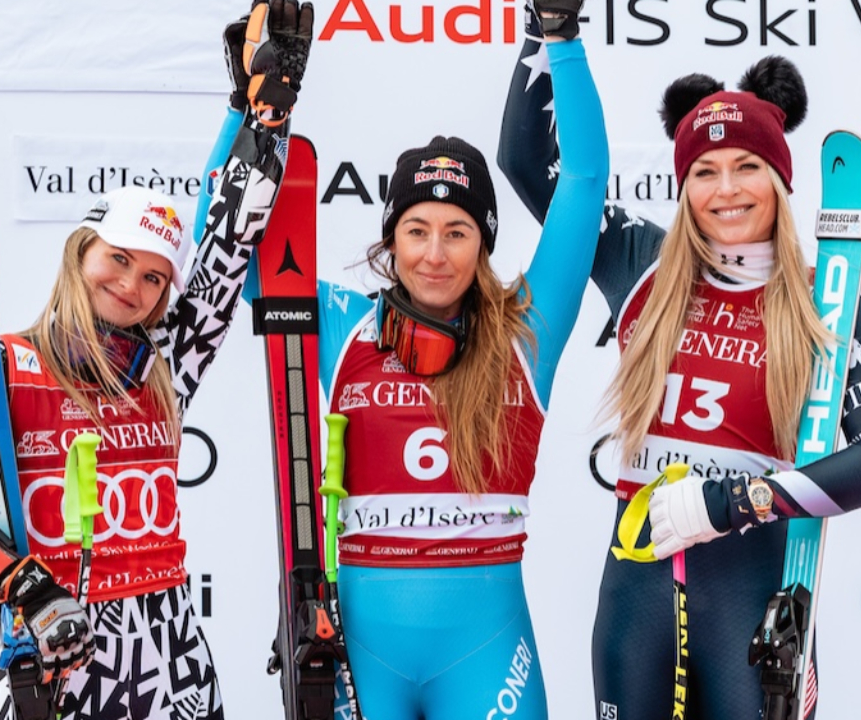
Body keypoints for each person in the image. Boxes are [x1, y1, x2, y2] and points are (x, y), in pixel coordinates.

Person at [0, 3, 313, 719]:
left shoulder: (164, 365)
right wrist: (23, 586)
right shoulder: (0, 366)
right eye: (117, 259)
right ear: (80, 252)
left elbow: (224, 248)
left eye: (153, 277)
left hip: (173, 655)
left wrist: (262, 120)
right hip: (60, 650)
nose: (131, 284)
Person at [498, 41, 861, 720]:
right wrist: (550, 33)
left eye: (747, 167)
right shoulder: (640, 261)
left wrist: (737, 502)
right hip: (637, 600)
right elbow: (526, 162)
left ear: (778, 180)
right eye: (705, 172)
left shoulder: (825, 299)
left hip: (749, 597)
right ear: (684, 186)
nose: (726, 190)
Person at [243, 2, 602, 717]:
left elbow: (585, 180)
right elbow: (236, 256)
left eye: (457, 231)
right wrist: (253, 114)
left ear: (484, 243)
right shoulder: (345, 325)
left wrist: (560, 37)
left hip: (489, 654)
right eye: (417, 229)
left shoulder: (527, 331)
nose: (435, 254)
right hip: (361, 651)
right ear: (392, 239)